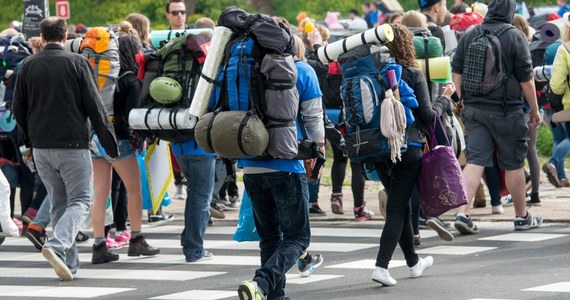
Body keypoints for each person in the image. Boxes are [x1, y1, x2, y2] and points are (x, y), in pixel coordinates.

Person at [12, 17, 118, 281]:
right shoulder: (77, 62)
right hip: (71, 143)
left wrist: (28, 139)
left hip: (40, 146)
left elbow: (18, 108)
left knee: (60, 202)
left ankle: (68, 264)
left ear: (42, 35)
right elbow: (94, 105)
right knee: (82, 199)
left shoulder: (27, 65)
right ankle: (57, 245)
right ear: (65, 35)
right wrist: (109, 142)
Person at [237, 30, 325, 299]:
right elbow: (313, 118)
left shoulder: (246, 69)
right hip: (287, 164)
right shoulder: (303, 70)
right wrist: (317, 148)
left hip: (250, 164)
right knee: (298, 238)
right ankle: (262, 282)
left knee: (270, 238)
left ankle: (274, 296)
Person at [451, 0, 543, 234]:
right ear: (510, 11)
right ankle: (522, 217)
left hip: (473, 109)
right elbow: (526, 77)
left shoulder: (472, 33)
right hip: (506, 110)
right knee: (513, 162)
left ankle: (462, 213)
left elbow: (457, 70)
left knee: (475, 161)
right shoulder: (514, 36)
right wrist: (534, 108)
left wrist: (460, 100)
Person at [371, 24, 449, 286]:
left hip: (378, 149)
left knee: (401, 205)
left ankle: (414, 262)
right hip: (408, 148)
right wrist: (445, 100)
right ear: (408, 46)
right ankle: (381, 266)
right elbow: (427, 116)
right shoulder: (413, 73)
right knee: (396, 207)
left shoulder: (372, 74)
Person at [89, 33, 159, 264]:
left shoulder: (102, 76)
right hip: (118, 141)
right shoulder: (131, 81)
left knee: (100, 193)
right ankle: (137, 240)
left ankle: (99, 244)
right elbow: (133, 118)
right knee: (134, 189)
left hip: (95, 138)